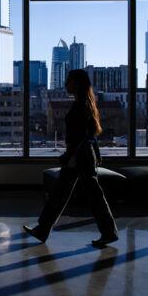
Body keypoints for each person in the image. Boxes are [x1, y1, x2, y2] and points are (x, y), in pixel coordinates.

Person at [23, 69, 119, 247]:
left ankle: (108, 232)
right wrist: (95, 153)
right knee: (66, 193)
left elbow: (81, 136)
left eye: (69, 81)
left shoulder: (81, 105)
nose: (66, 84)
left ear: (77, 83)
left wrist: (70, 155)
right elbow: (91, 134)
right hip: (82, 155)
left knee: (86, 194)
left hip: (79, 156)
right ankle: (43, 229)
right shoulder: (85, 103)